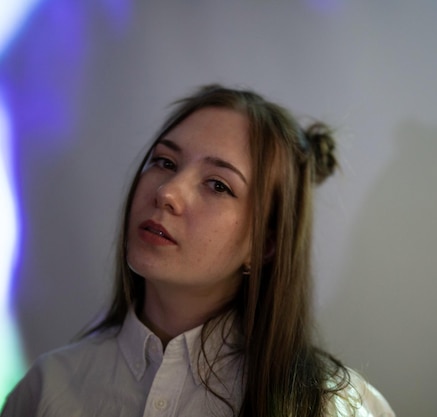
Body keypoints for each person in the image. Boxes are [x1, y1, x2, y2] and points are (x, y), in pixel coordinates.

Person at [2, 84, 395, 417]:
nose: (167, 192)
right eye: (164, 161)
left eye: (218, 185)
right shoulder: (47, 390)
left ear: (266, 244)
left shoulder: (330, 405)